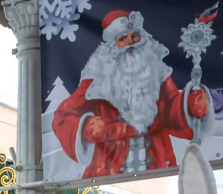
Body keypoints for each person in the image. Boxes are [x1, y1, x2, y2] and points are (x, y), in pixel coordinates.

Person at [52, 10, 210, 178]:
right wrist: (86, 127)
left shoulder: (156, 72)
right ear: (112, 46)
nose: (130, 43)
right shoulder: (96, 80)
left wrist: (190, 105)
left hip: (157, 164)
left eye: (134, 36)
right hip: (107, 169)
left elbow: (171, 111)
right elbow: (64, 116)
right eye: (122, 39)